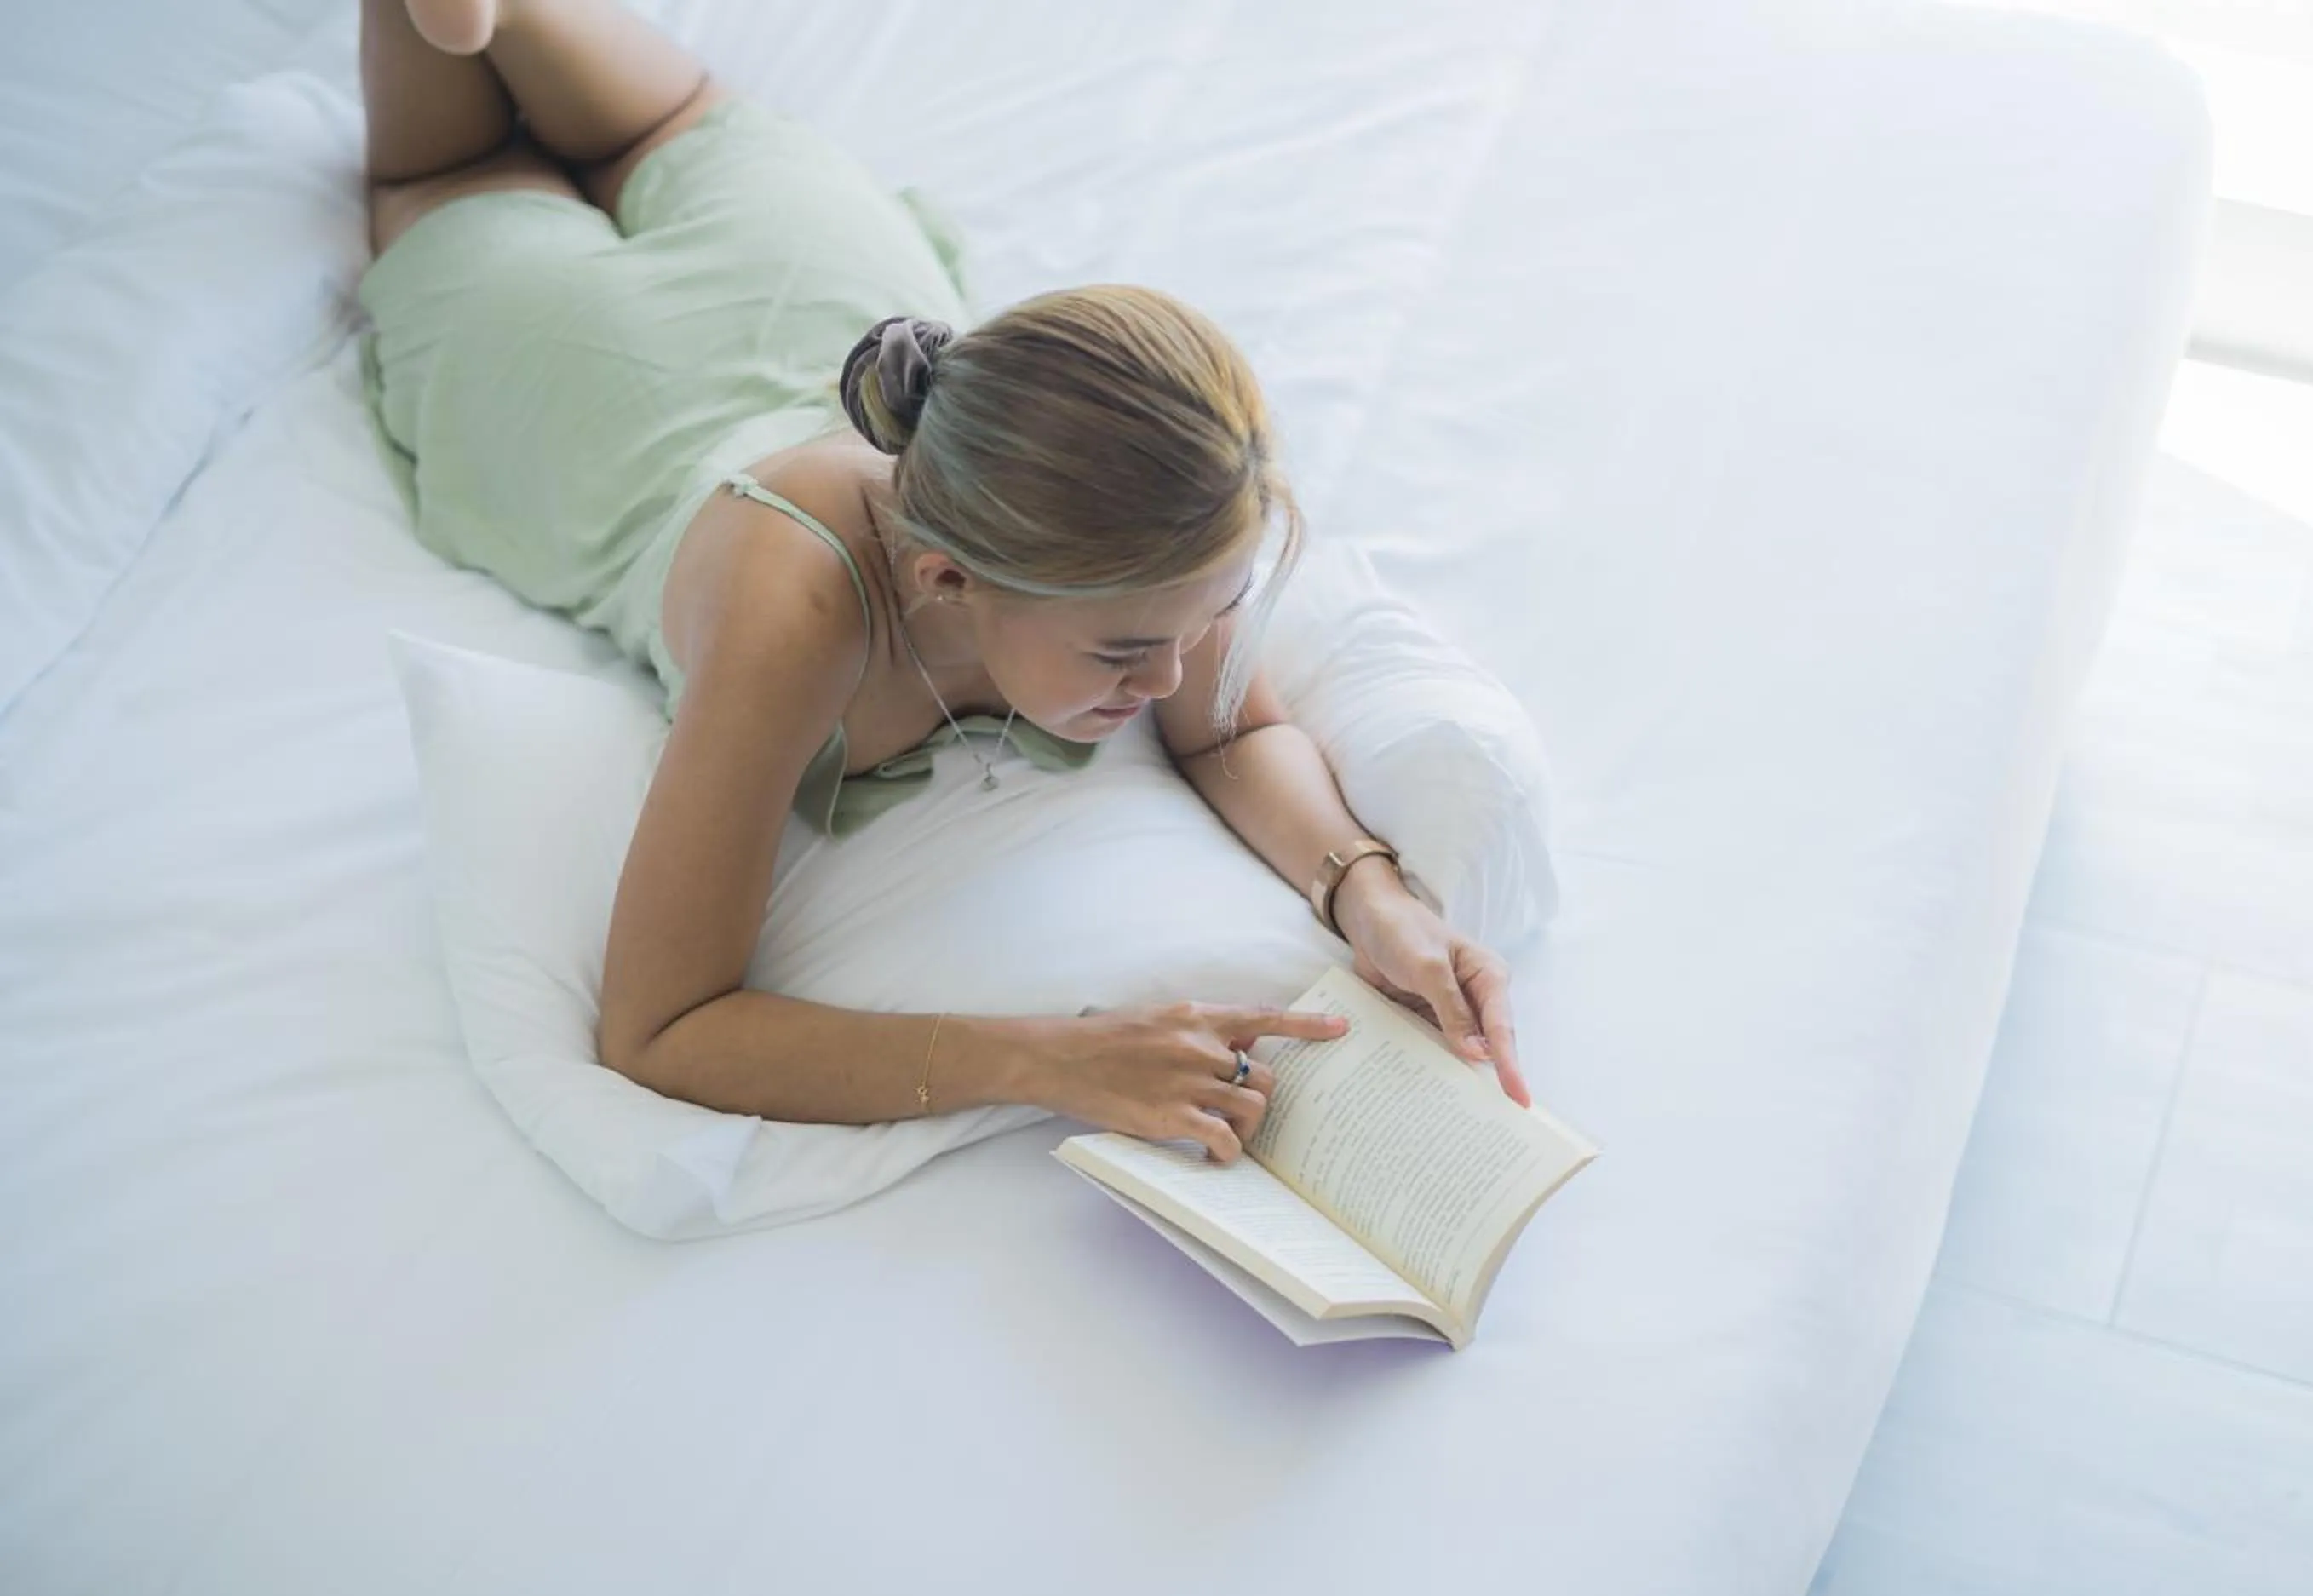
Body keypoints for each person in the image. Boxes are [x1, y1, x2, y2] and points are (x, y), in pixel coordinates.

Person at [358, 0, 1531, 1168]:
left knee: (670, 122)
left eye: (1207, 622)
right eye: (1125, 656)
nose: (1177, 678)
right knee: (452, 169)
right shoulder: (798, 616)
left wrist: (1371, 896)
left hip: (805, 272)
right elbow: (661, 1028)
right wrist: (1049, 1059)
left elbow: (1231, 733)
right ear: (947, 578)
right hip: (585, 373)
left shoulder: (1155, 524)